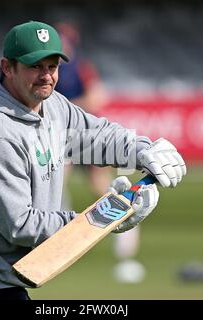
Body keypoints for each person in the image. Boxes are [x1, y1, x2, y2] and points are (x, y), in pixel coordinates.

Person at [0, 20, 187, 300]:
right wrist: (103, 219)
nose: (46, 76)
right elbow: (22, 225)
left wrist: (142, 151)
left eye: (52, 66)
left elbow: (96, 136)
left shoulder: (52, 104)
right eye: (35, 66)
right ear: (7, 67)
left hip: (5, 279)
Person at [54, 21, 146, 283]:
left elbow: (96, 98)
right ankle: (59, 236)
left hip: (85, 135)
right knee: (55, 184)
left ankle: (125, 231)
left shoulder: (81, 69)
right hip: (59, 138)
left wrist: (62, 107)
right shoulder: (48, 70)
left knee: (102, 188)